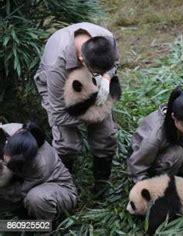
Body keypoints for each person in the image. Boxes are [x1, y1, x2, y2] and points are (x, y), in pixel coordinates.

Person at [34, 22, 120, 193]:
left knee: (106, 136)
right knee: (68, 143)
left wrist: (107, 78)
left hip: (89, 82)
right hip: (60, 89)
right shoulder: (55, 64)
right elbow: (58, 114)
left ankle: (101, 184)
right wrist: (93, 116)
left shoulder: (107, 38)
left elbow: (114, 63)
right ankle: (64, 185)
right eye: (97, 71)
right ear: (81, 59)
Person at [127, 87, 183, 199]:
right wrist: (148, 190)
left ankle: (179, 178)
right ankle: (164, 183)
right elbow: (136, 166)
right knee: (176, 153)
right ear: (173, 117)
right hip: (145, 159)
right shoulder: (155, 136)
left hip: (170, 152)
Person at [0, 123, 77, 220]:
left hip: (56, 188)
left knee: (35, 199)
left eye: (6, 157)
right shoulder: (9, 132)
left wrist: (4, 179)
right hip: (18, 179)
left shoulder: (39, 164)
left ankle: (46, 226)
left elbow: (18, 194)